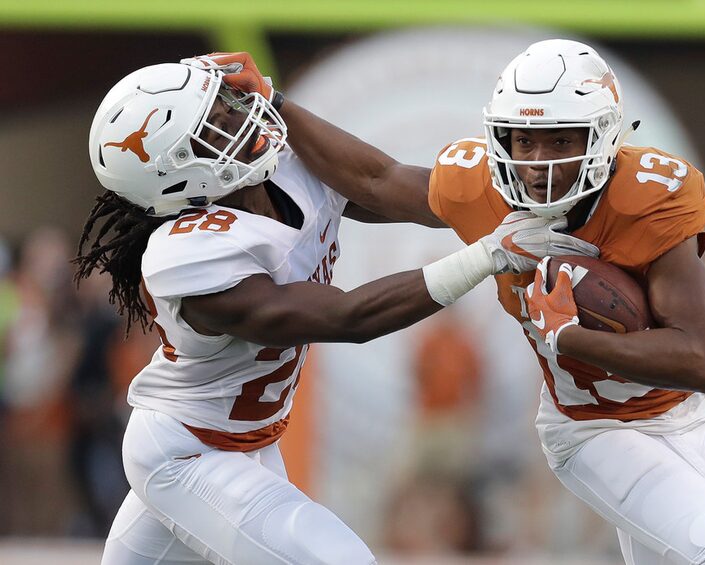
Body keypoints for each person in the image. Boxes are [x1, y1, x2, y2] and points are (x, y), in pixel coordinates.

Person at [206, 39, 705, 564]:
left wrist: (572, 338)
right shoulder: (485, 192)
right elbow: (377, 180)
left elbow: (701, 361)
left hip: (682, 419)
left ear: (603, 135)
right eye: (524, 140)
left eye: (560, 139)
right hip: (590, 427)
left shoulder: (649, 198)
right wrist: (274, 103)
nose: (537, 160)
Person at [76, 60, 591, 564]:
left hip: (246, 442)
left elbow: (389, 184)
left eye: (227, 105)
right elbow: (347, 317)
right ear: (178, 175)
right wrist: (487, 255)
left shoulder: (283, 171)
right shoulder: (193, 257)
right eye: (214, 122)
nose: (238, 117)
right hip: (188, 452)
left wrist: (517, 195)